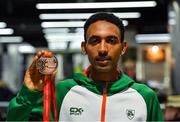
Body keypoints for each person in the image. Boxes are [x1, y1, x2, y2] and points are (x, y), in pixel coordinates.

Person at [6, 12, 163, 121]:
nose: (102, 49)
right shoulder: (60, 92)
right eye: (95, 41)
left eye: (111, 41)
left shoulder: (145, 97)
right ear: (84, 47)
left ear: (123, 48)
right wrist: (27, 94)